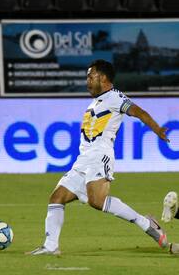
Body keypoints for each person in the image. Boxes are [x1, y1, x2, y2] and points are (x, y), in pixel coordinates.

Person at [26, 59, 170, 255]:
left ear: (102, 77)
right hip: (83, 159)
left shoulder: (116, 97)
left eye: (90, 76)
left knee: (97, 201)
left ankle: (146, 223)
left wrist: (157, 129)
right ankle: (51, 246)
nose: (87, 81)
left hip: (100, 155)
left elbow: (138, 112)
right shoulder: (95, 102)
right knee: (56, 197)